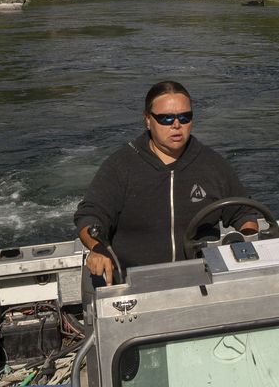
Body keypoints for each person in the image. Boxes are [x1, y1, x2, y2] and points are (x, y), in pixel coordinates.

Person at [74, 80, 259, 285]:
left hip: (204, 280)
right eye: (166, 118)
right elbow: (90, 216)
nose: (176, 125)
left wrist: (247, 241)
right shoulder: (121, 166)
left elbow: (244, 213)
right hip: (132, 283)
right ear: (147, 119)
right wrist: (98, 249)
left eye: (184, 117)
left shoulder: (212, 164)